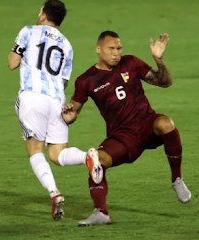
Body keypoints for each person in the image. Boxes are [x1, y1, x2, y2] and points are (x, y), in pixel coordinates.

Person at [62, 31, 191, 226]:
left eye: (119, 48)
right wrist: (67, 114)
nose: (116, 53)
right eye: (111, 49)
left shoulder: (130, 63)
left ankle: (177, 179)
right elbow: (73, 114)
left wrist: (159, 60)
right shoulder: (86, 80)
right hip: (121, 136)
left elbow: (164, 82)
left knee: (166, 124)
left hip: (146, 124)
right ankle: (101, 212)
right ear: (98, 49)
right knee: (96, 161)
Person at [8, 0, 102, 221]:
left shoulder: (28, 31)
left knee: (35, 150)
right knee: (57, 154)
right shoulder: (67, 45)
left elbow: (12, 62)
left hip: (32, 97)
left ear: (43, 14)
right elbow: (64, 81)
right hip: (57, 101)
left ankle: (54, 193)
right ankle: (86, 158)